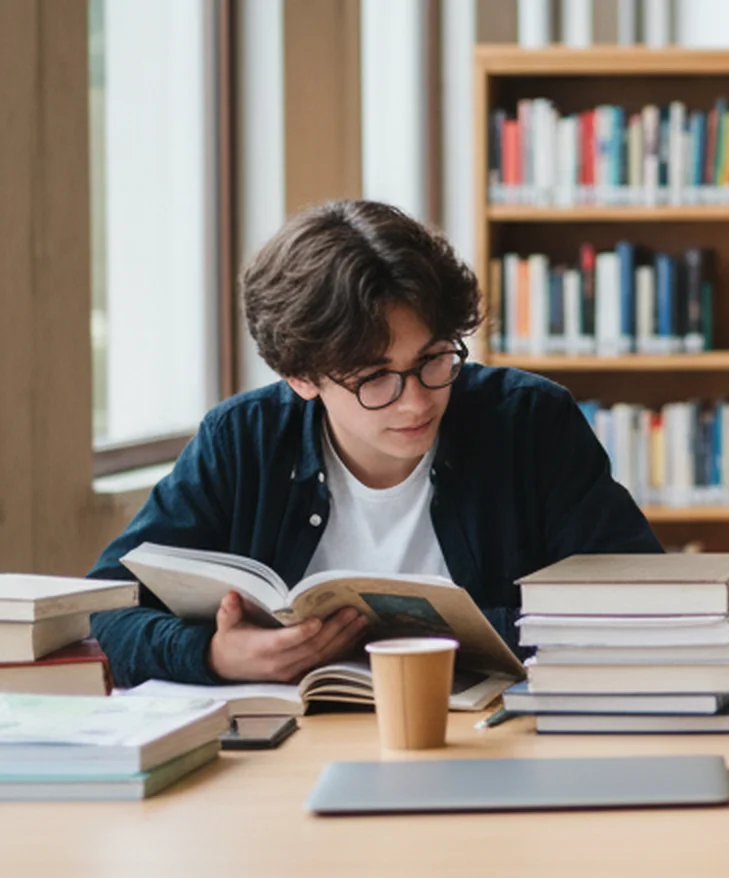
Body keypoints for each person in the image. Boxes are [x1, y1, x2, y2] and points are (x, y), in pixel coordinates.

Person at [87, 200, 660, 687]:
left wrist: (418, 640)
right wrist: (214, 655)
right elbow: (106, 606)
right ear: (301, 377)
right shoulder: (245, 439)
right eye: (374, 379)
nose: (416, 402)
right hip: (293, 758)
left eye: (433, 359)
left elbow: (637, 603)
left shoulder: (529, 421)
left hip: (494, 747)